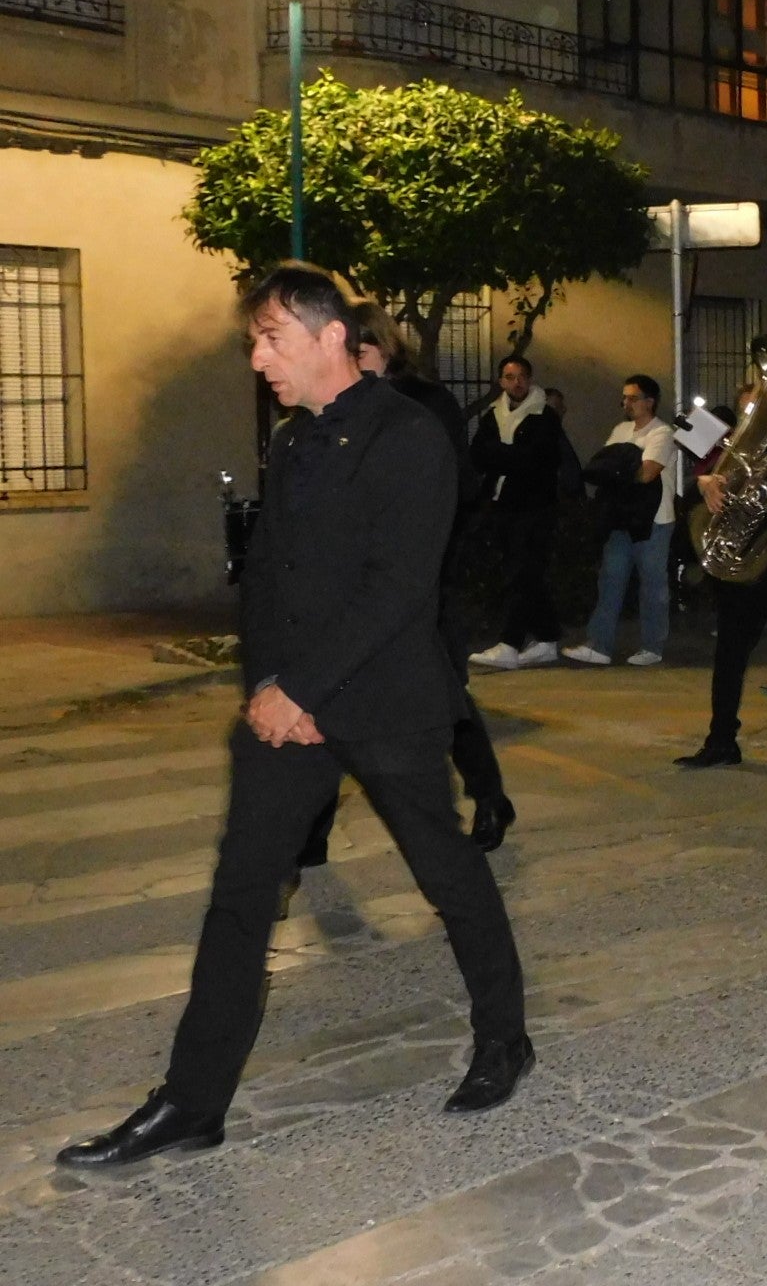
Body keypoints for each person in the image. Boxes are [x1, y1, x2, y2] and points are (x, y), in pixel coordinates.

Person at [59, 269, 531, 1171]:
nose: (257, 358)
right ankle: (192, 1102)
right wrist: (271, 691)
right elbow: (267, 581)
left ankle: (504, 1038)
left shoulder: (410, 436)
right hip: (291, 709)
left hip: (385, 702)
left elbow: (398, 588)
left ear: (328, 337)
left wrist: (304, 690)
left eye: (270, 338)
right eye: (253, 340)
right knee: (242, 891)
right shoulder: (292, 440)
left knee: (447, 871)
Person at [296, 305, 516, 858]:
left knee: (444, 695)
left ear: (385, 348)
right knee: (332, 689)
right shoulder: (333, 408)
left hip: (421, 579)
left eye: (362, 352)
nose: (352, 363)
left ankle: (489, 795)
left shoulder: (424, 405)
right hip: (351, 581)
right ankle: (312, 830)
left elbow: (458, 487)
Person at [675, 380, 767, 769]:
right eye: (750, 410)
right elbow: (691, 493)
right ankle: (721, 742)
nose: (756, 417)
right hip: (738, 573)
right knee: (728, 659)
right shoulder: (729, 452)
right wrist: (704, 484)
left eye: (763, 408)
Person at [564, 375, 675, 667]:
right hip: (621, 517)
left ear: (650, 401)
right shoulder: (620, 429)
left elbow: (647, 473)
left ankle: (652, 646)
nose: (626, 403)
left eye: (633, 398)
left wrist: (618, 470)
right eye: (624, 397)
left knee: (652, 586)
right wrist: (624, 468)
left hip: (654, 521)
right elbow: (602, 466)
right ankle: (599, 645)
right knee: (610, 580)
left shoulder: (661, 433)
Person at [468, 355, 565, 670]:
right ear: (501, 382)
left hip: (534, 507)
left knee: (520, 574)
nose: (516, 382)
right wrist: (510, 457)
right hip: (502, 506)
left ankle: (510, 643)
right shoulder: (493, 415)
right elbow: (478, 454)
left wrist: (500, 455)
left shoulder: (544, 417)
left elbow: (536, 461)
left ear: (530, 379)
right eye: (510, 377)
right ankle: (547, 639)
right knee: (526, 575)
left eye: (522, 376)